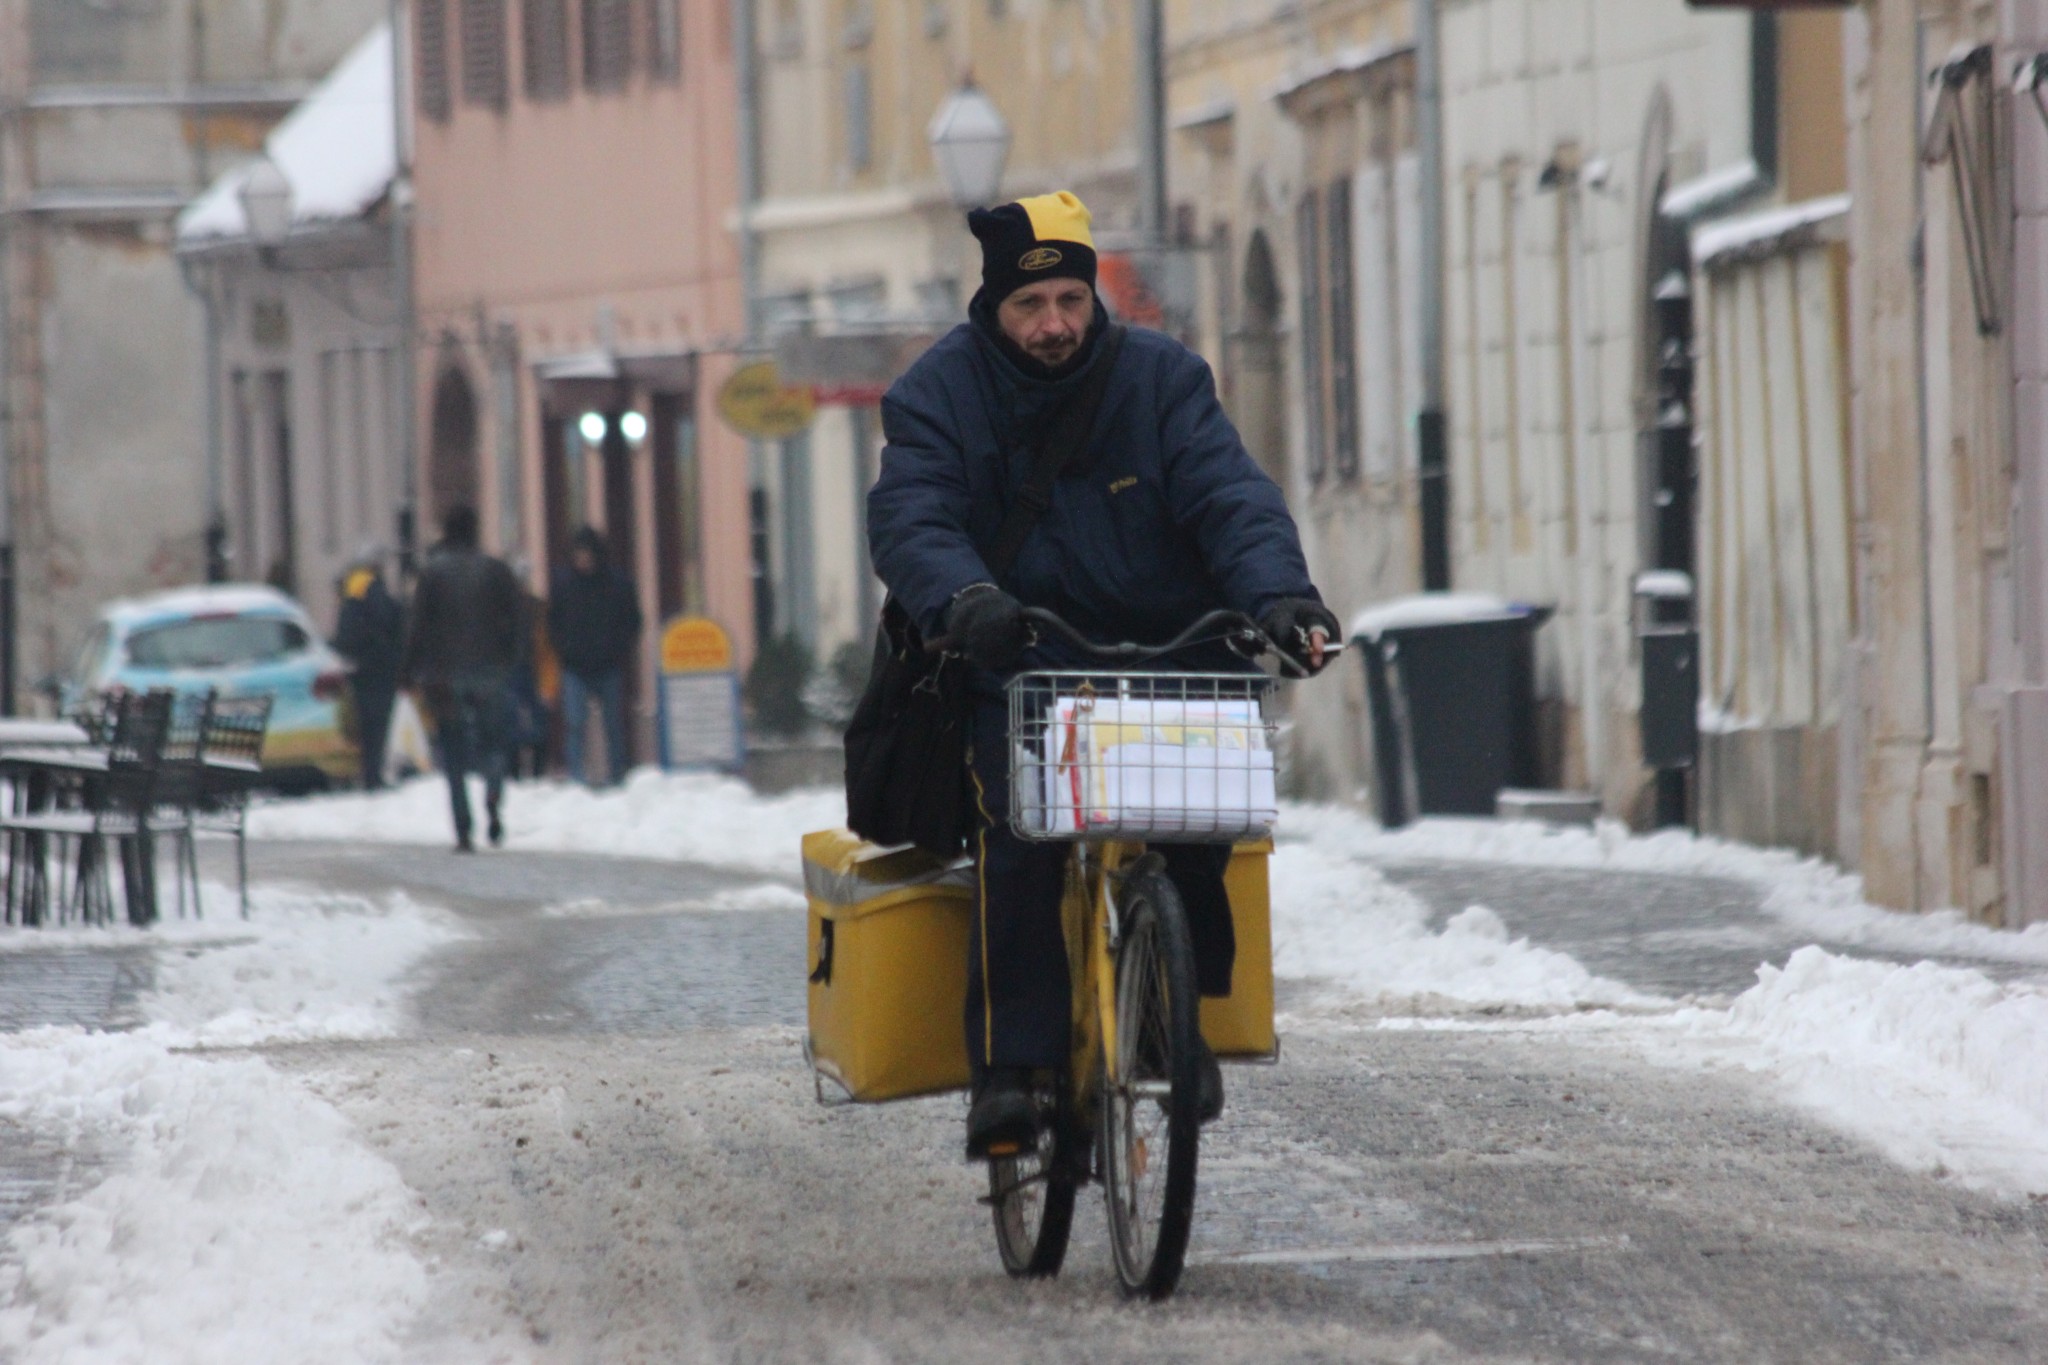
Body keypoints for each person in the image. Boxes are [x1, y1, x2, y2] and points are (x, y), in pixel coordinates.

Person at [867, 190, 1340, 1158]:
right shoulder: (937, 395)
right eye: (1029, 308)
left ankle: (1177, 1013)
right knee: (1020, 829)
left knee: (1196, 817)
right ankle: (1009, 1066)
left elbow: (1229, 495)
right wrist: (964, 599)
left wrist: (1280, 598)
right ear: (992, 309)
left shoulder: (1163, 381)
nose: (1052, 327)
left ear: (1092, 299)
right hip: (1020, 652)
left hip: (1167, 650)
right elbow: (913, 517)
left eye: (1070, 304)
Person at [399, 504, 523, 852]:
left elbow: (418, 627)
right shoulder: (496, 570)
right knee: (494, 744)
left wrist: (408, 671)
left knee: (453, 752)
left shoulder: (432, 573)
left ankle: (464, 830)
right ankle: (494, 797)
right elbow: (517, 617)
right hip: (490, 672)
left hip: (444, 676)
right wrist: (510, 658)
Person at [547, 526, 643, 786]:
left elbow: (632, 621)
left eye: (587, 554)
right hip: (574, 667)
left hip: (608, 665)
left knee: (613, 725)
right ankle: (576, 777)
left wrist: (618, 650)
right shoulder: (564, 585)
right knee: (575, 724)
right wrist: (564, 650)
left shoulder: (618, 585)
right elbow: (553, 622)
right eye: (578, 554)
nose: (583, 559)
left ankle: (617, 775)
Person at [331, 549, 403, 790]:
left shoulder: (352, 589)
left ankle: (367, 772)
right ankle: (373, 775)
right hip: (379, 668)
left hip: (358, 668)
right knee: (377, 724)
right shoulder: (373, 590)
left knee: (364, 723)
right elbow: (389, 621)